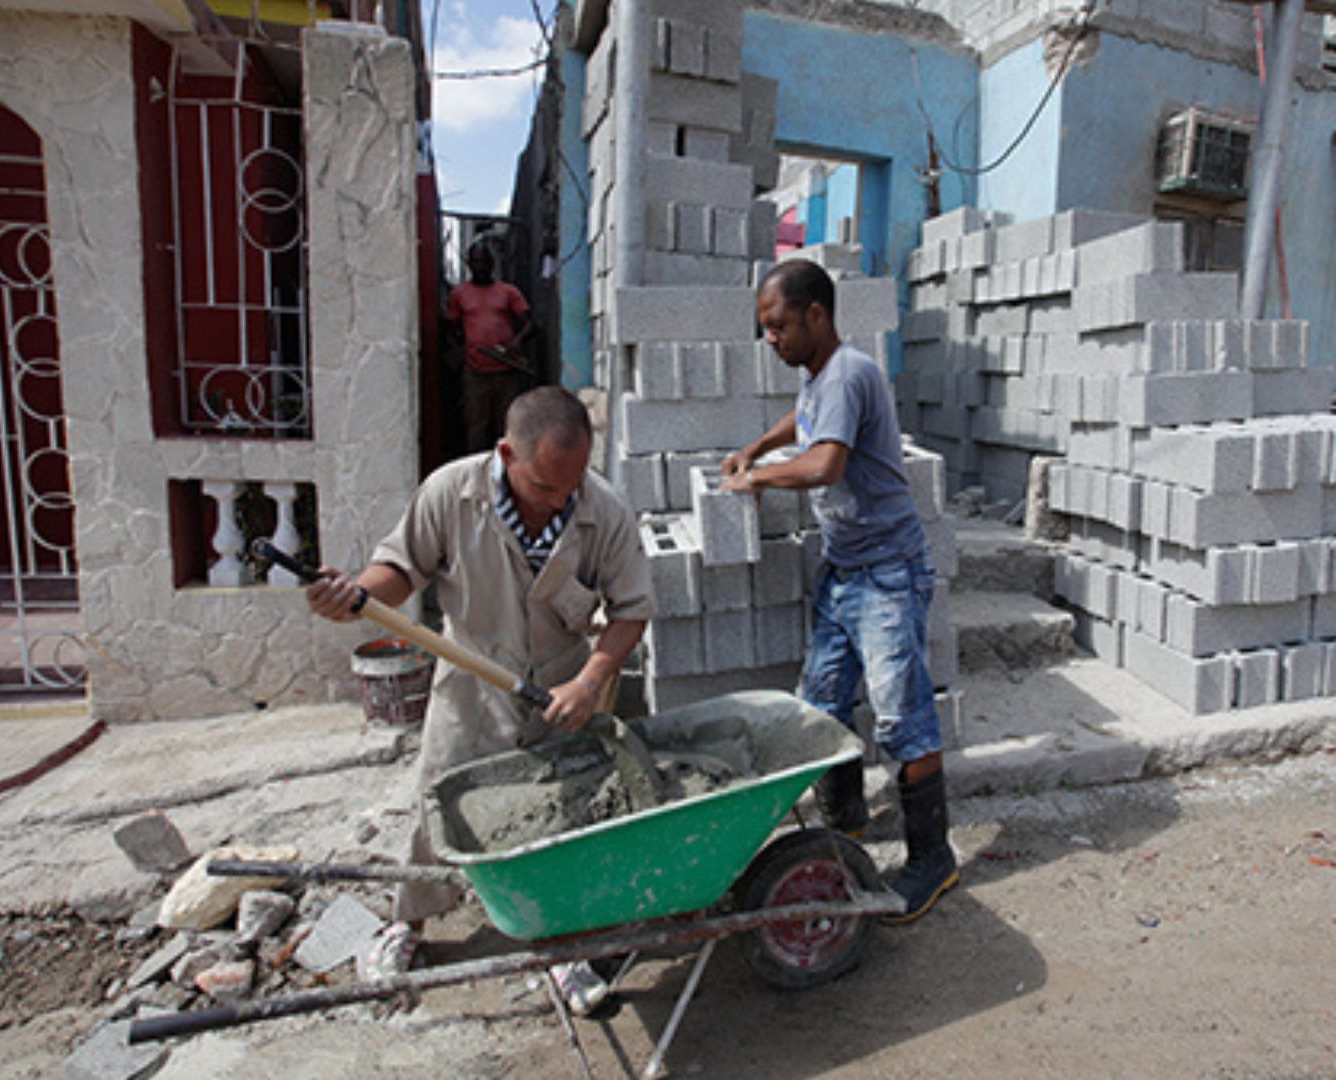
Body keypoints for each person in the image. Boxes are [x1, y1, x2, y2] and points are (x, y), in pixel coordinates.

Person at [304, 386, 652, 1012]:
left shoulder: (604, 509)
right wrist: (356, 591)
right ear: (505, 454)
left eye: (571, 486)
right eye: (545, 487)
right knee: (440, 803)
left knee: (561, 817)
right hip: (472, 680)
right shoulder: (450, 493)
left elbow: (631, 612)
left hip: (562, 686)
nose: (560, 501)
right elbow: (401, 569)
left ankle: (562, 946)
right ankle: (406, 926)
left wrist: (590, 680)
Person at [721, 259, 958, 923]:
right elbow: (803, 423)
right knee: (821, 702)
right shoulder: (820, 377)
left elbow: (826, 462)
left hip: (887, 572)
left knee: (900, 715)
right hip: (845, 569)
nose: (771, 339)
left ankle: (933, 861)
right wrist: (754, 447)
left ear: (817, 315)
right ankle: (845, 828)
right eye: (765, 329)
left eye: (778, 326)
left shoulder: (851, 371)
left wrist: (758, 480)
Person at [445, 238, 535, 455]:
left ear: (492, 263)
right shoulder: (459, 295)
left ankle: (507, 476)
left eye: (485, 261)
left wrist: (517, 341)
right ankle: (477, 477)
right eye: (476, 261)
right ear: (469, 264)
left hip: (506, 372)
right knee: (476, 429)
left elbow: (530, 325)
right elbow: (449, 329)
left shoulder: (508, 292)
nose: (481, 266)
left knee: (507, 428)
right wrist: (460, 351)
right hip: (475, 374)